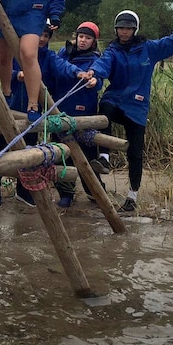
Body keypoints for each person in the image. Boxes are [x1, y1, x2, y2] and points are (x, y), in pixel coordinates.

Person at [83, 10, 173, 212]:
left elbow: (171, 44)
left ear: (135, 29)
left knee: (135, 153)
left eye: (128, 28)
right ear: (116, 29)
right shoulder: (113, 50)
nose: (124, 32)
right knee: (104, 108)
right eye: (121, 28)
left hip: (137, 106)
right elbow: (102, 64)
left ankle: (132, 198)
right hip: (116, 99)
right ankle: (105, 158)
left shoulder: (148, 49)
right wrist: (94, 73)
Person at [0, 26, 86, 207]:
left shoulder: (48, 57)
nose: (42, 39)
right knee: (0, 151)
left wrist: (78, 73)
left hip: (32, 114)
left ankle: (23, 191)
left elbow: (63, 66)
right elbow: (5, 69)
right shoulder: (18, 51)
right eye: (40, 34)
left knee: (28, 153)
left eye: (46, 36)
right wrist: (18, 75)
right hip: (9, 108)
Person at [52, 21, 104, 208]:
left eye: (88, 38)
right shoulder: (62, 54)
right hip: (60, 110)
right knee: (61, 155)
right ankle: (66, 193)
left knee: (88, 154)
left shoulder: (97, 59)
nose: (83, 40)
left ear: (93, 41)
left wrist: (94, 83)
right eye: (81, 36)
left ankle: (94, 190)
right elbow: (56, 70)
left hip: (85, 113)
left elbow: (99, 80)